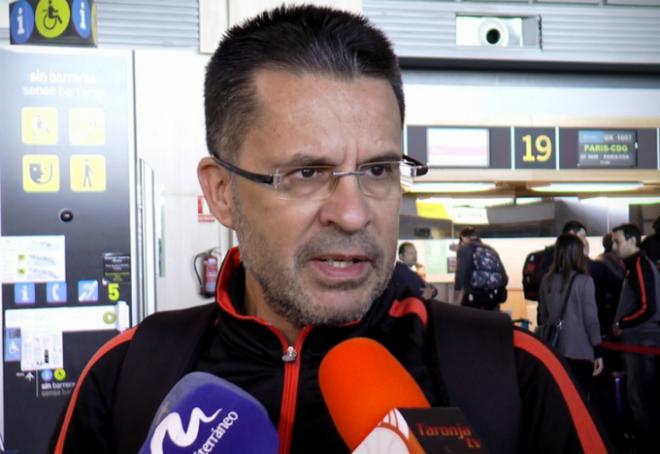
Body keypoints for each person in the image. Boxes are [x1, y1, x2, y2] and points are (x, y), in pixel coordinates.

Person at [49, 5, 609, 454]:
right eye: (307, 172)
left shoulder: (512, 374)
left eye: (377, 170)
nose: (354, 213)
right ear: (222, 192)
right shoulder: (127, 377)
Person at [611, 223, 660, 454]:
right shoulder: (635, 266)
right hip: (639, 341)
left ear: (632, 241)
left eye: (617, 241)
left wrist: (623, 323)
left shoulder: (640, 265)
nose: (614, 246)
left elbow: (647, 306)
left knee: (640, 396)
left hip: (641, 341)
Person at [538, 233, 604, 395]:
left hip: (554, 351)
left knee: (561, 400)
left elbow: (542, 316)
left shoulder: (547, 280)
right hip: (580, 352)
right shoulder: (585, 281)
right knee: (580, 400)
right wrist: (598, 350)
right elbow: (591, 320)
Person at [453, 227, 507, 310]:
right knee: (489, 322)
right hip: (491, 298)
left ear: (463, 238)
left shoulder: (464, 249)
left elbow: (460, 275)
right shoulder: (491, 249)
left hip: (472, 297)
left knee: (469, 322)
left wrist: (455, 297)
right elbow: (504, 277)